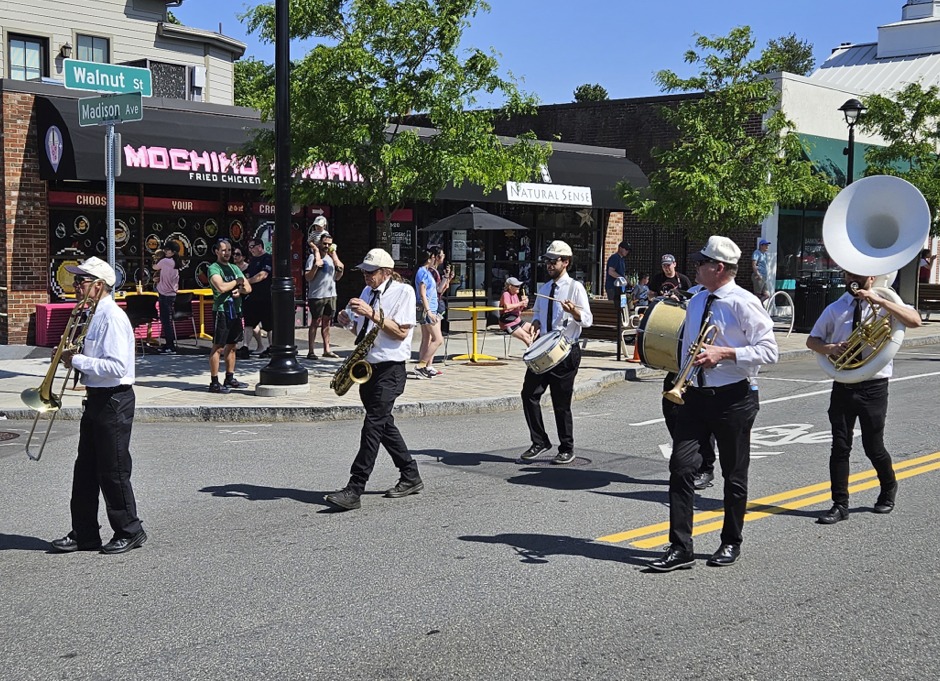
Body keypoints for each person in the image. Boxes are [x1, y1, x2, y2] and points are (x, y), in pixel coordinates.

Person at [649, 236, 778, 572]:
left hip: (734, 398)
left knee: (733, 474)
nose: (694, 267)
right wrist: (679, 381)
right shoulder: (696, 300)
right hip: (695, 397)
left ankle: (731, 541)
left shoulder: (744, 303)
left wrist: (726, 353)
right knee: (681, 467)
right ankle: (681, 547)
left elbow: (770, 351)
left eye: (701, 262)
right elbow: (687, 347)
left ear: (718, 268)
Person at [806, 271, 921, 525]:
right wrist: (830, 348)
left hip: (874, 386)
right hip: (843, 384)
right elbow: (812, 340)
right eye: (849, 274)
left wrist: (881, 302)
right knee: (840, 447)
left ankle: (888, 486)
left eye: (858, 274)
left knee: (873, 446)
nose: (852, 279)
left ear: (872, 276)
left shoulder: (887, 303)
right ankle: (840, 504)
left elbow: (915, 321)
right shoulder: (836, 308)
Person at [51, 257, 147, 555]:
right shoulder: (92, 315)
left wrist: (76, 359)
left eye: (81, 281)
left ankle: (130, 530)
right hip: (96, 397)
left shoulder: (112, 317)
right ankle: (85, 533)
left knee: (113, 469)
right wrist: (72, 357)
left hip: (114, 399)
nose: (76, 286)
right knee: (85, 470)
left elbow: (117, 367)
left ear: (99, 285)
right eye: (76, 281)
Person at [325, 248, 422, 511]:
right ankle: (411, 474)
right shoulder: (368, 292)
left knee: (372, 426)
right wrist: (348, 322)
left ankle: (355, 487)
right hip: (368, 366)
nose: (366, 276)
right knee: (383, 425)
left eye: (371, 272)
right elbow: (363, 331)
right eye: (364, 272)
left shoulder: (404, 292)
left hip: (391, 369)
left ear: (387, 272)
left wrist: (371, 314)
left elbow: (401, 332)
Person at [519, 241, 593, 465]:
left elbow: (588, 320)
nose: (549, 265)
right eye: (547, 261)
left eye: (554, 261)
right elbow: (538, 313)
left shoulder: (575, 288)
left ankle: (566, 447)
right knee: (529, 394)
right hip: (545, 351)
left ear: (566, 262)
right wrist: (536, 322)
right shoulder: (544, 289)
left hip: (566, 351)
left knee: (561, 403)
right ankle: (539, 441)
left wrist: (575, 312)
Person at [207, 238, 251, 393]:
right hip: (222, 311)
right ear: (217, 251)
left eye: (230, 250)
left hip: (236, 311)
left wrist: (240, 290)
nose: (227, 253)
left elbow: (248, 288)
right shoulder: (214, 268)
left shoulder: (234, 267)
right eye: (224, 250)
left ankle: (229, 377)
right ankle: (214, 382)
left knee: (232, 346)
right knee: (218, 346)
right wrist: (237, 281)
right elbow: (221, 287)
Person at [304, 232, 344, 360]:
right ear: (319, 243)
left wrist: (340, 270)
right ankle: (311, 351)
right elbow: (308, 277)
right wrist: (316, 267)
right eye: (325, 243)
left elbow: (336, 278)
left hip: (331, 294)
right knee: (315, 321)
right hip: (317, 295)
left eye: (329, 244)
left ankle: (327, 349)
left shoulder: (331, 258)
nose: (327, 246)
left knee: (327, 323)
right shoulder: (312, 257)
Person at [415, 245, 445, 378]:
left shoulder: (426, 272)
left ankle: (424, 367)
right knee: (438, 339)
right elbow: (422, 293)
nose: (434, 259)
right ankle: (421, 365)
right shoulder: (422, 272)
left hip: (431, 308)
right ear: (428, 259)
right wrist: (429, 311)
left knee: (427, 338)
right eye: (433, 257)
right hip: (428, 309)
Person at [243, 238, 273, 358]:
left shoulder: (267, 259)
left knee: (269, 325)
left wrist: (247, 281)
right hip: (252, 297)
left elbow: (263, 275)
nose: (251, 250)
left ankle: (272, 347)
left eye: (252, 247)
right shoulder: (252, 260)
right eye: (249, 248)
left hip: (266, 297)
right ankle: (245, 347)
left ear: (259, 246)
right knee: (249, 323)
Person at [153, 241, 182, 355]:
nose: (165, 251)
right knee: (168, 321)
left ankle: (170, 346)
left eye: (167, 250)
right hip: (172, 295)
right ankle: (169, 344)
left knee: (166, 322)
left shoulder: (165, 261)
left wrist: (157, 258)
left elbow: (155, 267)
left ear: (173, 252)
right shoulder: (176, 263)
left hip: (164, 295)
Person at [499, 276, 534, 346]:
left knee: (535, 329)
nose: (519, 287)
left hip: (517, 320)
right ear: (510, 287)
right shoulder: (506, 294)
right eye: (517, 286)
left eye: (519, 286)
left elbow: (518, 309)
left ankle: (535, 347)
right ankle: (532, 351)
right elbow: (507, 306)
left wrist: (524, 304)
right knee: (527, 337)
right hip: (508, 322)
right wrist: (521, 303)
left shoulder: (515, 295)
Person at [751, 239, 772, 303]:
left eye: (767, 245)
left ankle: (759, 304)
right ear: (761, 246)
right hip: (759, 276)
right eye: (765, 245)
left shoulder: (765, 254)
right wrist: (757, 274)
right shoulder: (757, 253)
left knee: (767, 295)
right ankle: (755, 306)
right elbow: (754, 264)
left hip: (763, 277)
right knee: (757, 294)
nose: (767, 247)